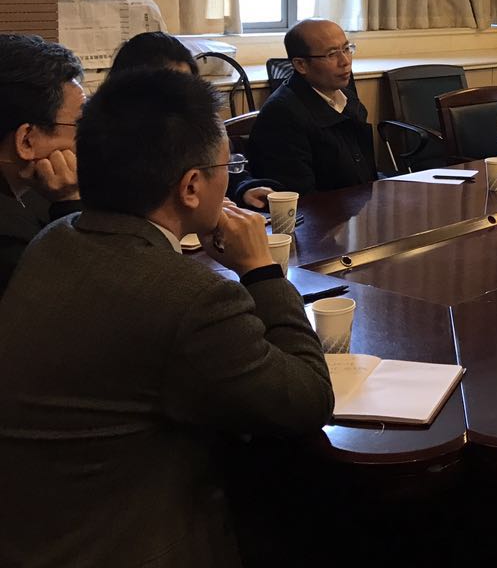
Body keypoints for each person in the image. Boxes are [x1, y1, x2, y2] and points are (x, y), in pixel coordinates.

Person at [0, 68, 333, 568]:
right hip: (126, 544)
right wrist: (261, 272)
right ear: (191, 186)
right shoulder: (190, 298)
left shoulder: (55, 239)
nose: (230, 177)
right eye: (227, 165)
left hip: (36, 528)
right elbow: (307, 399)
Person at [108, 31, 277, 208]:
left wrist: (244, 189)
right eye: (172, 88)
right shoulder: (114, 138)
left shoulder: (190, 118)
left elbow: (218, 166)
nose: (183, 97)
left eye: (188, 85)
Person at [248, 19, 375, 195]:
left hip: (359, 201)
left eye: (347, 49)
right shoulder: (281, 115)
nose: (345, 61)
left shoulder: (347, 98)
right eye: (331, 54)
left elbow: (364, 172)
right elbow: (299, 196)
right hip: (323, 209)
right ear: (301, 65)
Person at [0, 35, 84, 297]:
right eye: (80, 125)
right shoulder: (9, 242)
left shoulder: (28, 189)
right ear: (26, 140)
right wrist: (70, 202)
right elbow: (82, 299)